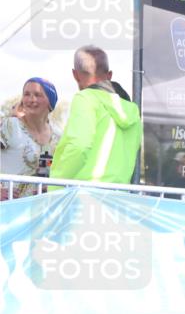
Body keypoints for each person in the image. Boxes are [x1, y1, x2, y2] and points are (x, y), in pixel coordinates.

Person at [51, 45, 141, 184]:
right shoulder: (133, 110)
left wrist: (56, 184)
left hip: (83, 195)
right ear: (109, 75)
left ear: (75, 74)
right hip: (118, 197)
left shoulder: (85, 98)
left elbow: (79, 146)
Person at [1, 77, 61, 200]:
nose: (31, 99)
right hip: (6, 210)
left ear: (50, 102)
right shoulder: (10, 126)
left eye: (38, 95)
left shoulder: (58, 136)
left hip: (40, 211)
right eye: (26, 94)